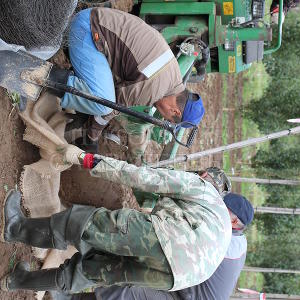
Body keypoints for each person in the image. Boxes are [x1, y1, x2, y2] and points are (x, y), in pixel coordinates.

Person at [1, 146, 231, 294]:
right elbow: (152, 201)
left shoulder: (203, 188)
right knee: (97, 270)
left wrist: (89, 160)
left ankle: (14, 228)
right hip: (176, 277)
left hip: (169, 241)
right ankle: (17, 281)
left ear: (204, 175)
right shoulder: (218, 222)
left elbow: (144, 178)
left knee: (82, 224)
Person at [51, 193, 253, 300]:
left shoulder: (225, 242)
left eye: (222, 209)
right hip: (185, 286)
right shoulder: (236, 240)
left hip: (185, 295)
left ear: (235, 223)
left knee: (129, 292)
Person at [55, 7, 204, 144]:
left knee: (101, 97)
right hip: (86, 30)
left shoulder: (173, 74)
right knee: (102, 104)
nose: (163, 117)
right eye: (168, 119)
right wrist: (91, 138)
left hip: (94, 21)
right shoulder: (153, 89)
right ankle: (48, 80)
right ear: (175, 111)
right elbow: (110, 106)